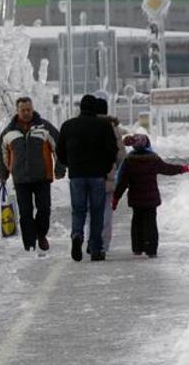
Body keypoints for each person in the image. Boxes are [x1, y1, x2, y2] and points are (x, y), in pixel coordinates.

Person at [0, 97, 65, 252]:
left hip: (42, 177)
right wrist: (4, 173)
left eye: (29, 109)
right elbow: (2, 154)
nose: (27, 113)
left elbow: (59, 146)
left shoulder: (44, 127)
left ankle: (41, 235)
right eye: (23, 110)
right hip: (21, 179)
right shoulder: (9, 132)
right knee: (25, 213)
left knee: (44, 209)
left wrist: (60, 167)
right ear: (17, 111)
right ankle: (29, 244)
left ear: (32, 109)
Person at [56, 95, 117, 262]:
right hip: (97, 175)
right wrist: (105, 167)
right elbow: (113, 150)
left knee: (78, 210)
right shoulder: (103, 126)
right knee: (97, 212)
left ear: (80, 107)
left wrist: (70, 164)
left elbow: (59, 151)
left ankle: (77, 234)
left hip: (76, 174)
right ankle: (96, 248)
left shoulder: (68, 126)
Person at [112, 134, 189, 257]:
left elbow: (123, 181)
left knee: (137, 222)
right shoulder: (153, 159)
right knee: (151, 223)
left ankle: (137, 248)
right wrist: (184, 168)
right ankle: (151, 249)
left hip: (136, 198)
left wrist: (116, 198)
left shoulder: (129, 160)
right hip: (151, 198)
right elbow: (168, 169)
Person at [90, 98, 128, 254]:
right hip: (108, 175)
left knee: (90, 210)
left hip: (89, 173)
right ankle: (103, 245)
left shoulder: (87, 126)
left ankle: (91, 241)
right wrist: (118, 169)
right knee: (106, 211)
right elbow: (121, 155)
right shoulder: (113, 128)